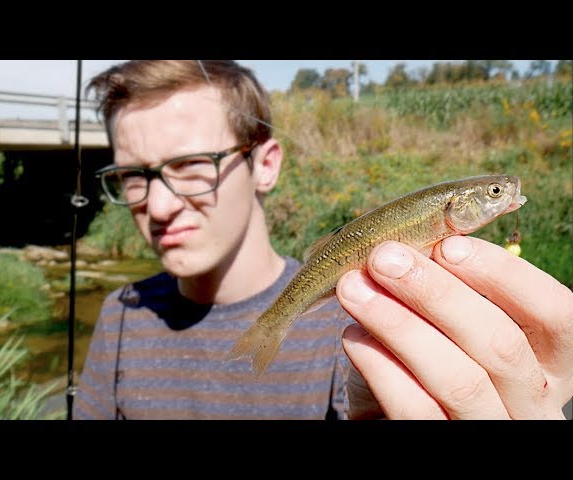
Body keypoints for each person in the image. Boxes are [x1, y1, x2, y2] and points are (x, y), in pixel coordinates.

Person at [74, 60, 573, 420]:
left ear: (266, 164)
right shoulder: (121, 313)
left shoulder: (361, 324)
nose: (158, 206)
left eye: (192, 164)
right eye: (133, 175)